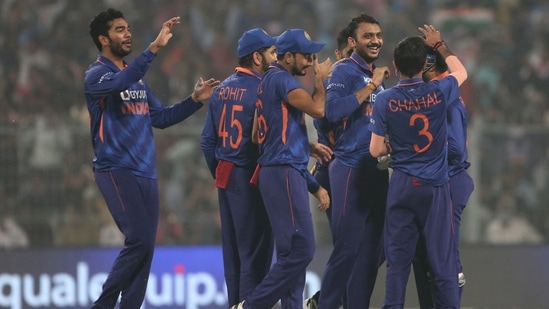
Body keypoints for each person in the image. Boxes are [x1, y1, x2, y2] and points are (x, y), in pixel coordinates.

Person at [84, 8, 220, 309]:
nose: (128, 33)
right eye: (120, 29)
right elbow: (120, 83)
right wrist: (154, 48)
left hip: (147, 172)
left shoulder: (139, 81)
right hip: (116, 170)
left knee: (146, 249)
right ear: (103, 39)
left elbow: (160, 117)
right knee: (140, 241)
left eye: (128, 27)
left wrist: (195, 101)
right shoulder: (97, 76)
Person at [230, 28, 332, 309]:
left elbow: (255, 136)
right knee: (303, 250)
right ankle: (250, 305)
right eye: (307, 56)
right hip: (284, 171)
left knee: (290, 253)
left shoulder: (267, 81)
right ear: (288, 57)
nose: (311, 62)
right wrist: (321, 80)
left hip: (275, 171)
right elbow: (318, 109)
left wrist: (303, 143)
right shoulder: (282, 79)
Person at [369, 25, 468, 308]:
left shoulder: (386, 99)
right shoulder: (439, 90)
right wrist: (440, 46)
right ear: (425, 65)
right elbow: (461, 72)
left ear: (396, 66)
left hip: (402, 186)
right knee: (442, 260)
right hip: (435, 187)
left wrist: (397, 147)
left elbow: (375, 149)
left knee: (398, 263)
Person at [316, 13, 390, 309]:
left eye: (378, 35)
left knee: (374, 250)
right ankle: (325, 304)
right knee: (347, 249)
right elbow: (331, 113)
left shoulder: (374, 76)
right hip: (349, 168)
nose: (375, 41)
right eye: (368, 36)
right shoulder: (345, 71)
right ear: (352, 41)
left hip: (376, 169)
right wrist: (371, 87)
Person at [200, 28, 277, 308]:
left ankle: (235, 303)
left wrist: (221, 173)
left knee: (233, 254)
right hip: (250, 176)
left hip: (226, 175)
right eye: (271, 52)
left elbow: (207, 143)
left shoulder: (221, 89)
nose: (276, 57)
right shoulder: (263, 88)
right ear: (257, 57)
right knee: (254, 255)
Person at [412, 45, 475, 308]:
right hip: (442, 180)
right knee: (426, 254)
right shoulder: (443, 90)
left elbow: (457, 149)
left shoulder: (442, 94)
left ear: (429, 65)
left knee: (444, 257)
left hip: (447, 181)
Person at [305, 25, 354, 308]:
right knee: (347, 247)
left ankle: (325, 298)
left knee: (369, 246)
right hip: (332, 170)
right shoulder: (334, 80)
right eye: (348, 54)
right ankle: (327, 302)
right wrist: (321, 82)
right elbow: (323, 118)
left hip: (356, 172)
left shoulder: (363, 79)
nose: (352, 59)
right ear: (338, 54)